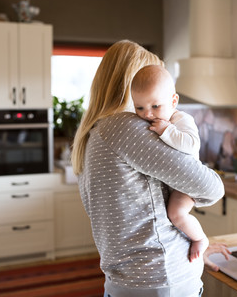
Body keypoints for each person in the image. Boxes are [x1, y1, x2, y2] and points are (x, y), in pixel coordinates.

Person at [71, 39, 225, 297]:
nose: (151, 111)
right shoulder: (124, 127)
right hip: (161, 280)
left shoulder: (91, 134)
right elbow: (211, 187)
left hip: (125, 281)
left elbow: (137, 216)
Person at [131, 65, 207, 262]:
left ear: (174, 101)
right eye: (140, 107)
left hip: (186, 185)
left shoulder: (181, 119)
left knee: (176, 214)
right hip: (171, 183)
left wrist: (167, 130)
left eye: (155, 106)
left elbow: (191, 144)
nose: (148, 114)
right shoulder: (151, 119)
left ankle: (200, 239)